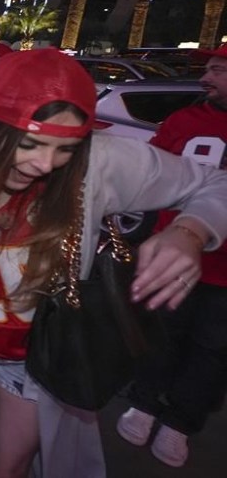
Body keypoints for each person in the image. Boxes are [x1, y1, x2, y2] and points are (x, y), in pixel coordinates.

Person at [0, 48, 227, 477]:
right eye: (30, 143)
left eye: (65, 149)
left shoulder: (99, 161)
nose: (46, 163)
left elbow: (214, 182)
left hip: (42, 347)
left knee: (8, 467)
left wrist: (189, 231)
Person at [117, 43, 227, 468]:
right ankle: (143, 403)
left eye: (218, 70)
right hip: (169, 261)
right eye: (210, 69)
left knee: (211, 352)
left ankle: (180, 422)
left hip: (222, 275)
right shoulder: (183, 120)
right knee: (159, 334)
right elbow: (150, 177)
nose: (207, 78)